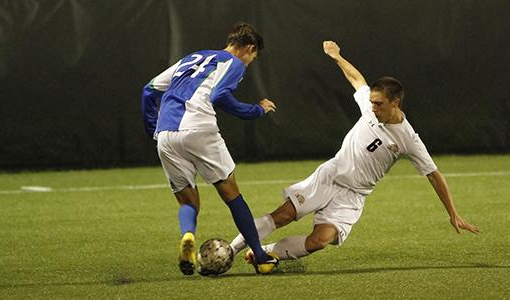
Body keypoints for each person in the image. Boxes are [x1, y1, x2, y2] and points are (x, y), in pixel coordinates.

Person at [230, 41, 479, 264]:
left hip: (353, 195)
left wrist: (453, 213)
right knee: (283, 215)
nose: (373, 107)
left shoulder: (409, 139)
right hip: (331, 176)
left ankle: (265, 252)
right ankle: (230, 251)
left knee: (320, 240)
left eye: (379, 103)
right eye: (372, 101)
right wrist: (337, 57)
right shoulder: (370, 107)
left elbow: (434, 175)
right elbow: (357, 79)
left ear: (396, 103)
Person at [141, 22, 278, 275]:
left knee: (187, 202)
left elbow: (149, 90)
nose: (249, 63)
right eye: (253, 58)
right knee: (232, 194)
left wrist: (154, 131)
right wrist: (255, 110)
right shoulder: (234, 63)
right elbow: (219, 96)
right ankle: (260, 256)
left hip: (167, 133)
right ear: (249, 48)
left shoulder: (192, 57)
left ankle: (188, 236)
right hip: (199, 129)